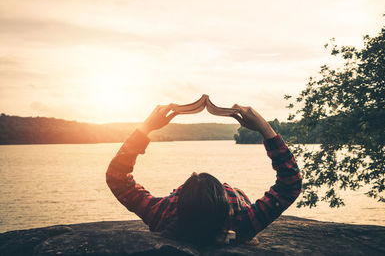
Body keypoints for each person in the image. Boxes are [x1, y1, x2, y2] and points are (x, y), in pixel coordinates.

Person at [106, 103, 302, 245]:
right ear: (228, 202)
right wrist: (264, 128)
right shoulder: (242, 224)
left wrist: (146, 127)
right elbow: (290, 184)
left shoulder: (165, 217)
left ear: (177, 201)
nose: (194, 174)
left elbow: (117, 178)